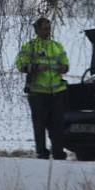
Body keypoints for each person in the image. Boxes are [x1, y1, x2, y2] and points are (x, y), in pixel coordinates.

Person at [15, 17, 69, 159]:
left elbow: (66, 64)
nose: (47, 31)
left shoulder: (57, 46)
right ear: (37, 30)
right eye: (44, 28)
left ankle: (58, 152)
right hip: (38, 94)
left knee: (57, 125)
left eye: (49, 28)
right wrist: (37, 67)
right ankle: (42, 152)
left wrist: (64, 68)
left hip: (57, 92)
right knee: (39, 126)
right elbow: (21, 65)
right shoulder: (30, 47)